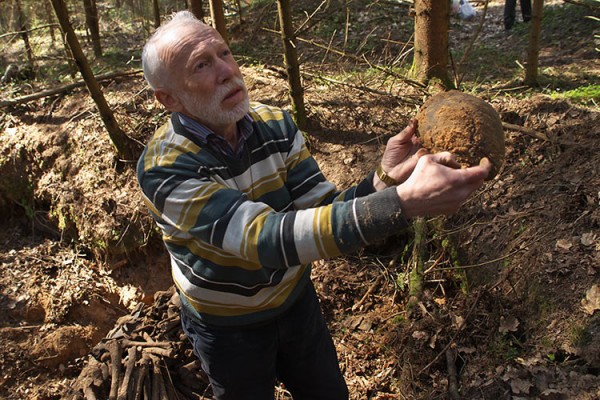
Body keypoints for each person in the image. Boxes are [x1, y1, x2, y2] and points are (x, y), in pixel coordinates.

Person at [138, 10, 491, 399]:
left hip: (296, 304)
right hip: (226, 327)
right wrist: (402, 202)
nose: (226, 70)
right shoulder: (165, 168)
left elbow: (319, 207)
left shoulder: (274, 124)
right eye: (202, 65)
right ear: (168, 98)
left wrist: (385, 178)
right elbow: (264, 240)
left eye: (224, 53)